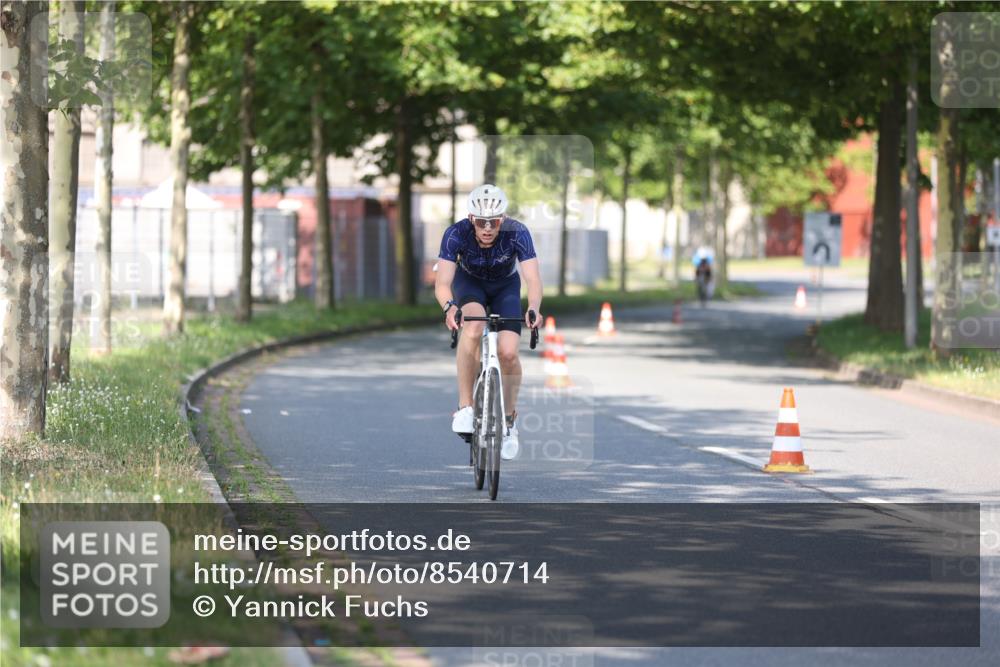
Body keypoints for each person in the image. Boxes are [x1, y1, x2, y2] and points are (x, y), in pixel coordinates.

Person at [435, 184, 542, 460]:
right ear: (471, 219)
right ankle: (465, 407)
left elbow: (532, 278)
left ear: (502, 219)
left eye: (493, 222)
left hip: (505, 286)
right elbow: (443, 282)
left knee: (508, 352)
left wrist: (533, 307)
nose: (487, 228)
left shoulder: (518, 232)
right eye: (481, 222)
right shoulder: (455, 234)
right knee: (474, 325)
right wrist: (449, 307)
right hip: (470, 284)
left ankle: (509, 419)